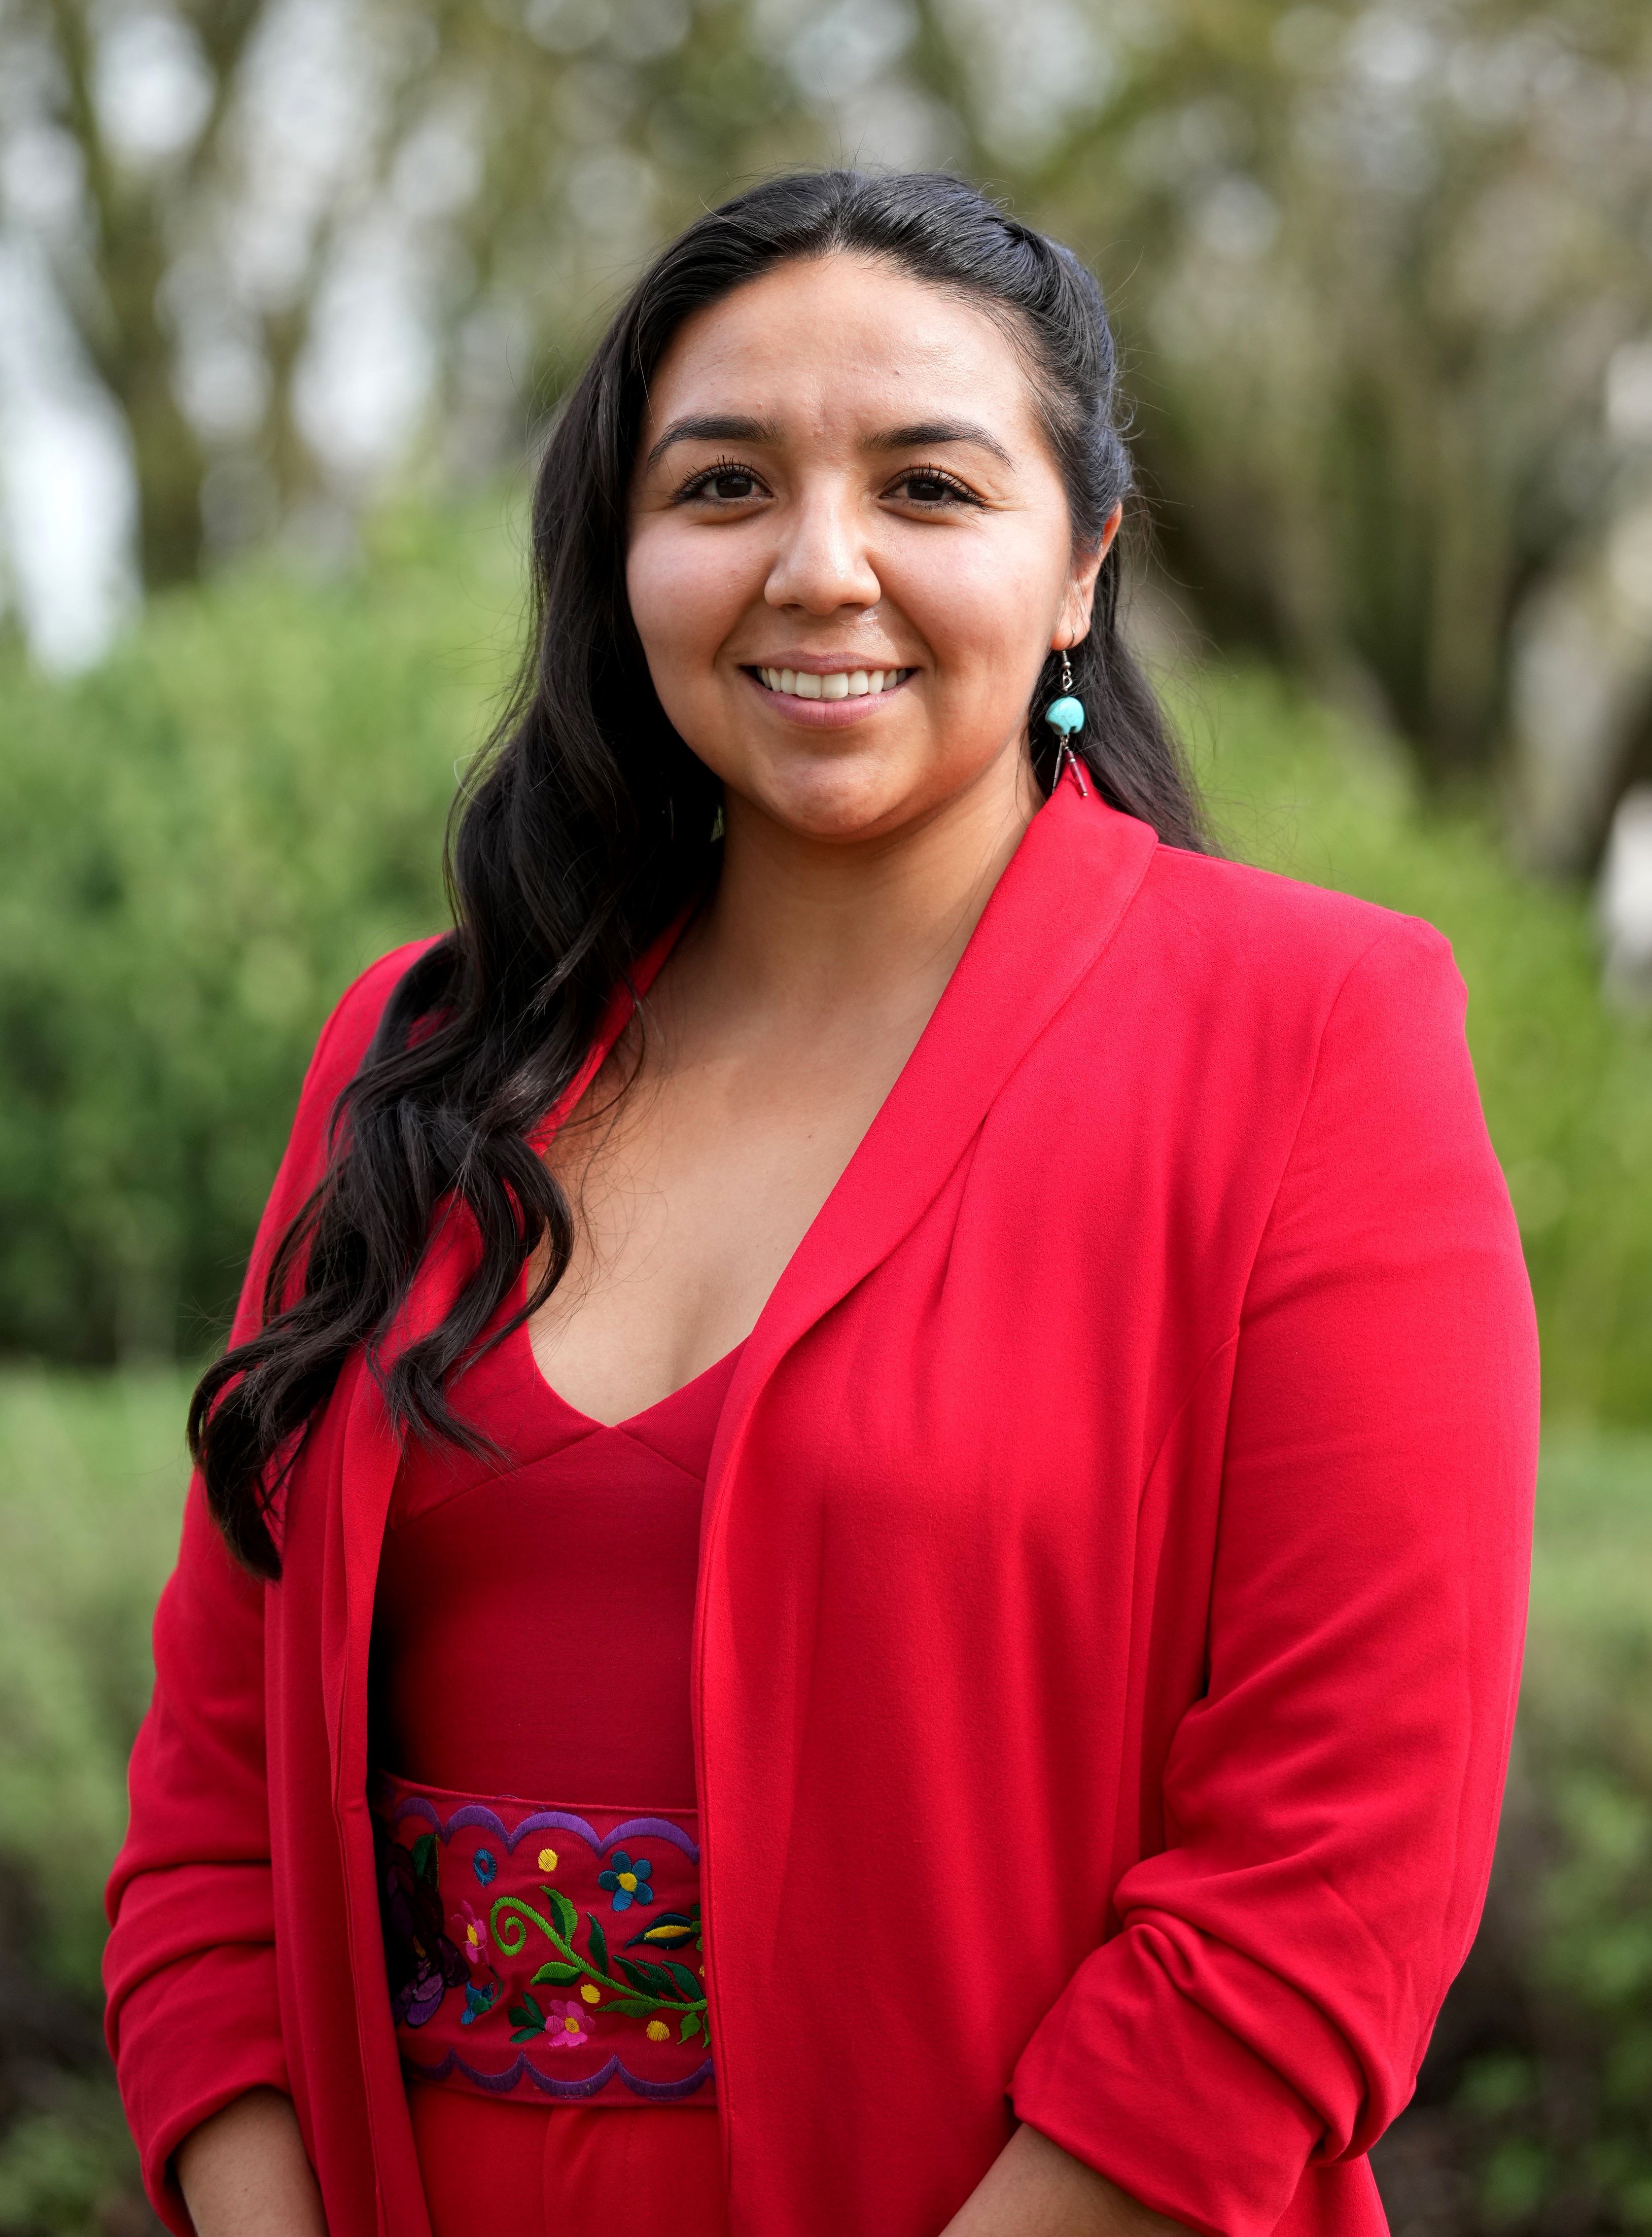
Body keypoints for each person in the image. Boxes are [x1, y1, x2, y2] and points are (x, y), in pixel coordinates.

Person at [103, 169, 1538, 2237]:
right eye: (721, 487)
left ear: (1080, 564)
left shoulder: (1310, 1033)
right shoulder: (413, 1054)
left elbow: (1329, 1881)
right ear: (621, 556)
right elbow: (211, 1827)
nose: (817, 565)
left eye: (929, 488)